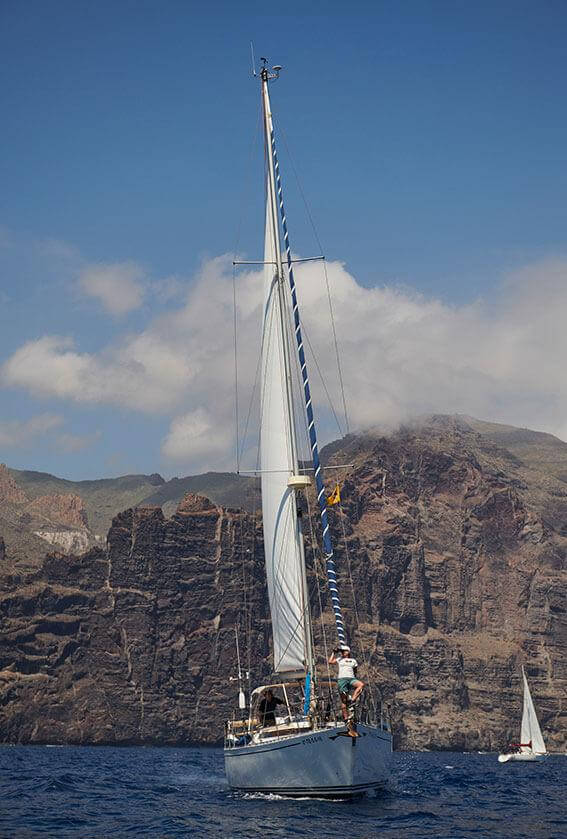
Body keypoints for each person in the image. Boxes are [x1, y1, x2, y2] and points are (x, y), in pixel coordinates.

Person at [328, 645, 364, 721]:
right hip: (342, 679)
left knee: (361, 685)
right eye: (342, 651)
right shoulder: (339, 659)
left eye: (344, 651)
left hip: (351, 678)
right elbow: (330, 661)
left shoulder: (353, 660)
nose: (342, 652)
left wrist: (354, 675)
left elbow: (355, 670)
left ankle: (353, 700)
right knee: (344, 700)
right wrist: (333, 653)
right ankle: (346, 717)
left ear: (348, 652)